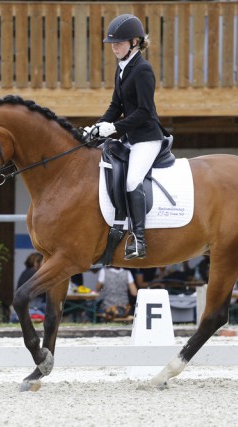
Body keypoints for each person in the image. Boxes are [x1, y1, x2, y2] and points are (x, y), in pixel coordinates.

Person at [86, 14, 169, 260]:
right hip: (130, 138)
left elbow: (144, 112)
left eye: (119, 43)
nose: (114, 47)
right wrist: (97, 127)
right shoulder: (121, 69)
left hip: (147, 138)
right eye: (112, 43)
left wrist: (114, 129)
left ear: (134, 42)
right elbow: (115, 106)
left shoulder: (143, 69)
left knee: (133, 181)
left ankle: (139, 240)